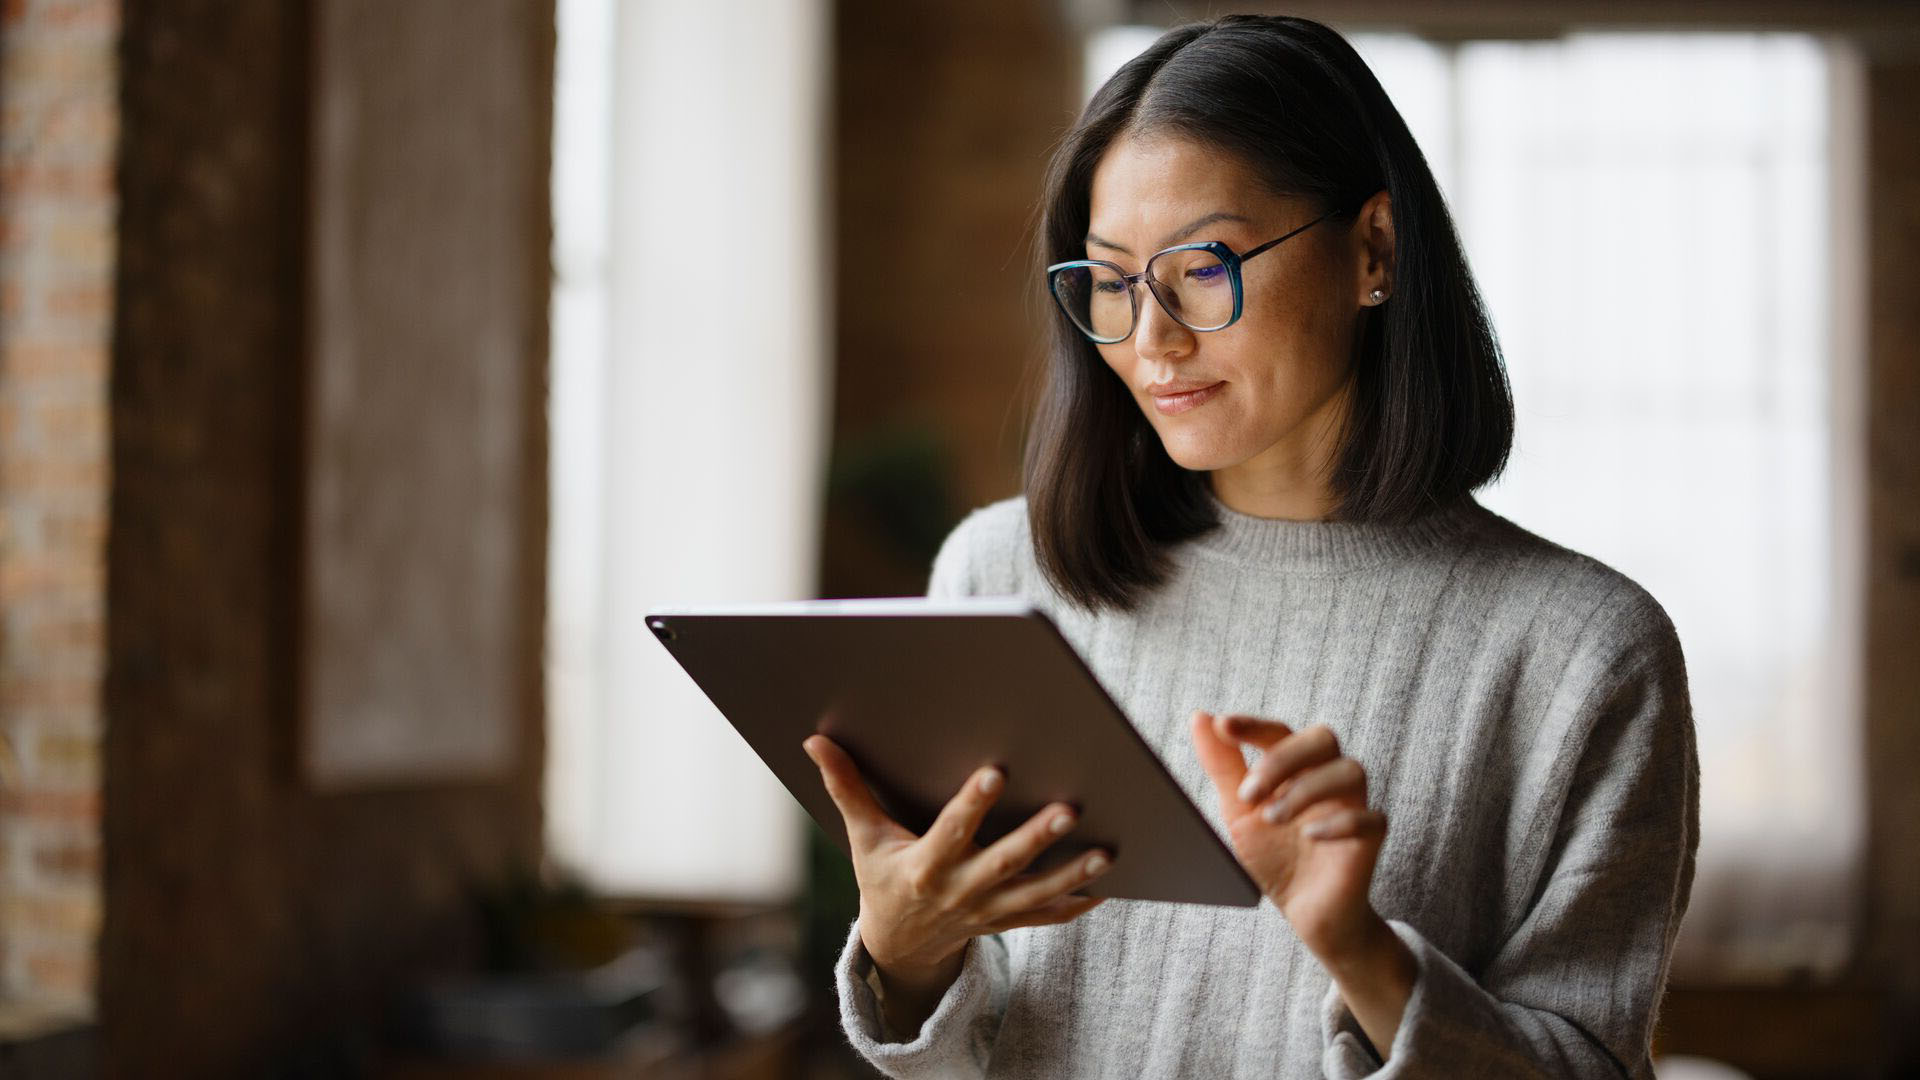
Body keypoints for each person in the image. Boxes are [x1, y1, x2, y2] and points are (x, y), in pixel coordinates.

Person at [800, 13, 1698, 1078]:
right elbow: (974, 1043)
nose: (1153, 339)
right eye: (1113, 280)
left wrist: (1356, 949)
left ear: (1374, 248)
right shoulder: (1000, 578)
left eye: (1204, 266)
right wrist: (904, 956)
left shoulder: (1583, 651)